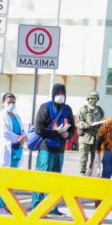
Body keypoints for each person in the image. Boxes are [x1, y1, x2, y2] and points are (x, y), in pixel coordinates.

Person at [30, 83, 76, 215]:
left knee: (55, 180)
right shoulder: (45, 107)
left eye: (63, 94)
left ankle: (52, 207)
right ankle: (37, 206)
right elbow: (38, 128)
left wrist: (69, 135)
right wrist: (56, 132)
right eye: (58, 93)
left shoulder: (68, 109)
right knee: (42, 177)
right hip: (46, 148)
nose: (60, 96)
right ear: (53, 94)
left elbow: (72, 128)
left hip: (60, 150)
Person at [0, 92, 27, 214]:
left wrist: (22, 138)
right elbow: (3, 132)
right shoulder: (1, 115)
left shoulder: (17, 117)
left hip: (16, 150)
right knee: (2, 178)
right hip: (5, 148)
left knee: (10, 180)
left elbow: (23, 131)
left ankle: (6, 203)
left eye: (13, 102)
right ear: (3, 103)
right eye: (8, 102)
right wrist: (18, 138)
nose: (11, 104)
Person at [77, 91, 105, 175]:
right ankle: (82, 174)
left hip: (96, 138)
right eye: (91, 98)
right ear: (88, 99)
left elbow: (103, 121)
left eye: (95, 98)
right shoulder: (83, 109)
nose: (93, 100)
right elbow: (78, 122)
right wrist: (87, 125)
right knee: (83, 158)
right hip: (85, 138)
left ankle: (91, 173)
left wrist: (102, 124)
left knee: (94, 159)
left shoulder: (99, 110)